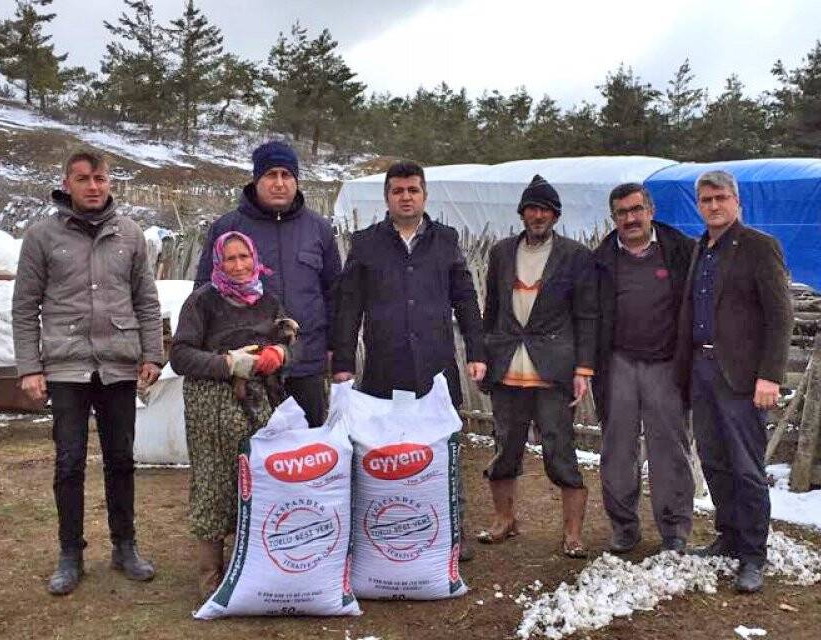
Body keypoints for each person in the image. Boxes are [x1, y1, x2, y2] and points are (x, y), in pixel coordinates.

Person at [12, 150, 163, 596]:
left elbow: (146, 301)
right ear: (67, 182)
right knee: (69, 461)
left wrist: (152, 354)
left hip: (118, 363)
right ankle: (69, 553)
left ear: (109, 181)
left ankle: (125, 546)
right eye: (83, 179)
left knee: (121, 459)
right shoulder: (42, 236)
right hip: (67, 366)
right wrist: (29, 367)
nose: (93, 187)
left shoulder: (129, 234)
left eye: (100, 178)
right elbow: (25, 307)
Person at [332, 160, 486, 561]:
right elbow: (349, 307)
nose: (406, 197)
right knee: (385, 452)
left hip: (436, 369)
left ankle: (452, 529)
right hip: (386, 368)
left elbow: (466, 299)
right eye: (398, 191)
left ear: (424, 195)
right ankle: (382, 528)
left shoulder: (446, 240)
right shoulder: (366, 243)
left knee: (443, 451)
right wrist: (344, 363)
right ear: (387, 197)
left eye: (412, 190)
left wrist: (477, 350)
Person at [674, 170, 792, 594]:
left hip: (742, 376)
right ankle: (728, 537)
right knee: (714, 459)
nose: (713, 206)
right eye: (706, 200)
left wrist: (770, 375)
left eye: (721, 198)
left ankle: (753, 554)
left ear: (736, 202)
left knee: (747, 467)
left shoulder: (759, 247)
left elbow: (780, 315)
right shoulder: (699, 249)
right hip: (702, 371)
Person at [477, 175, 596, 558]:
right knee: (505, 444)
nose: (537, 215)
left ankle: (573, 533)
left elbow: (587, 315)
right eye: (531, 208)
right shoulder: (500, 253)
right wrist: (483, 353)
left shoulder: (575, 256)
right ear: (523, 213)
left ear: (555, 215)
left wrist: (583, 368)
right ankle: (504, 520)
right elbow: (491, 311)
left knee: (559, 445)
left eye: (544, 209)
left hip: (553, 367)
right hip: (508, 365)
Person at [172, 231, 296, 597]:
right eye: (231, 259)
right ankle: (212, 581)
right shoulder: (202, 302)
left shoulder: (268, 300)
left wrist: (281, 355)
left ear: (255, 259)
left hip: (262, 401)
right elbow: (180, 356)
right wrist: (228, 363)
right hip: (212, 406)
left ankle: (255, 568)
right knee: (215, 484)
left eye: (245, 257)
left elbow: (290, 342)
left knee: (260, 481)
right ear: (218, 263)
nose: (239, 266)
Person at [194, 140, 340, 427]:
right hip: (248, 366)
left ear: (296, 181)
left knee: (306, 452)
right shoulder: (228, 228)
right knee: (252, 453)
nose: (279, 183)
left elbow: (335, 293)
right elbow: (203, 293)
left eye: (286, 176)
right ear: (256, 179)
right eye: (270, 175)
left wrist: (335, 345)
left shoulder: (318, 229)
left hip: (305, 362)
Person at [590, 182, 697, 555]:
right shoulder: (601, 259)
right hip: (617, 362)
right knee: (617, 448)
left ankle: (674, 529)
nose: (630, 218)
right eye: (622, 212)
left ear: (650, 210)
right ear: (613, 217)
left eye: (637, 210)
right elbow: (588, 315)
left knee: (669, 447)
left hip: (666, 363)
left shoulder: (681, 250)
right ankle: (624, 526)